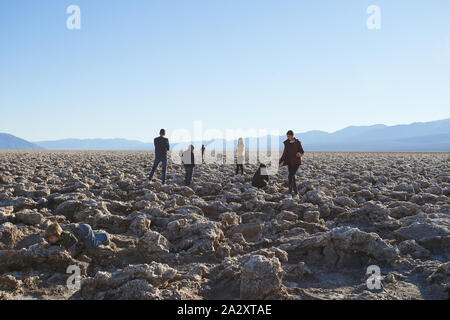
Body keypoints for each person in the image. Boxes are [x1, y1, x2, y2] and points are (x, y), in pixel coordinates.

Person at [44, 222, 110, 255]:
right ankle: (94, 233)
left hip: (85, 230)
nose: (50, 240)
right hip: (81, 229)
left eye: (51, 238)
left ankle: (105, 236)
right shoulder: (56, 239)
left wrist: (67, 249)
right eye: (49, 238)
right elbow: (53, 243)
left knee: (91, 245)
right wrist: (48, 245)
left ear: (58, 235)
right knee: (85, 240)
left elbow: (74, 240)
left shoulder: (66, 235)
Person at [279, 130, 304, 196]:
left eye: (289, 136)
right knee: (292, 177)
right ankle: (296, 192)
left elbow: (302, 151)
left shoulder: (297, 142)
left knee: (290, 176)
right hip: (289, 162)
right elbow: (285, 154)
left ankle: (290, 192)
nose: (288, 137)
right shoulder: (287, 143)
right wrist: (280, 162)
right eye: (287, 136)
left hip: (296, 162)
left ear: (292, 135)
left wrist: (299, 154)